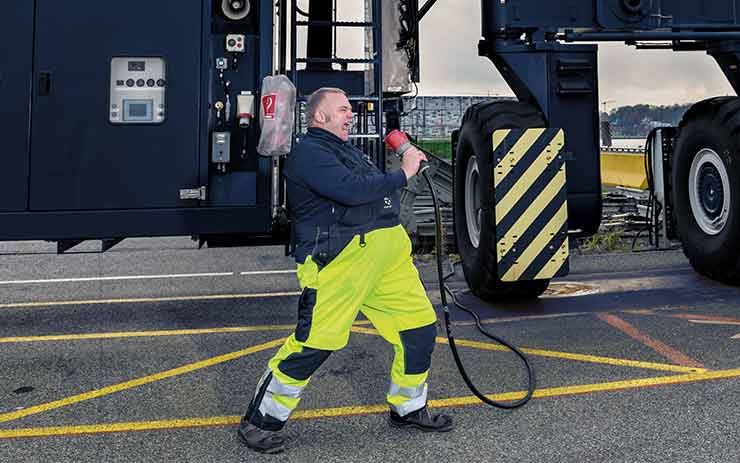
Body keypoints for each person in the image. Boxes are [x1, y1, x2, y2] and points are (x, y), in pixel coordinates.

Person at [238, 87, 453, 454]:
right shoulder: (308, 152)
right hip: (337, 262)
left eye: (350, 110)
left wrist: (395, 182)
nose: (351, 115)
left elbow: (376, 194)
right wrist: (402, 174)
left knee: (418, 328)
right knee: (314, 344)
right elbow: (354, 191)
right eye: (343, 110)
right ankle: (260, 421)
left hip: (385, 261)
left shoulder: (347, 151)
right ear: (319, 116)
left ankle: (408, 407)